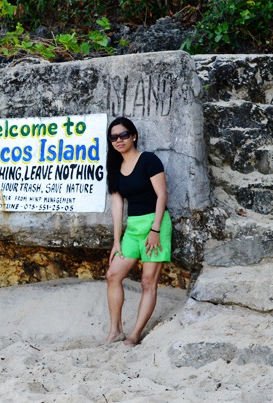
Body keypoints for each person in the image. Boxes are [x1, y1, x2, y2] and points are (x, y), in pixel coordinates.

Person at [104, 116, 172, 346]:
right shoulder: (114, 167)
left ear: (133, 136)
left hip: (156, 224)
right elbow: (117, 206)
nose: (119, 140)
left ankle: (134, 335)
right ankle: (116, 331)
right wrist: (116, 241)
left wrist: (155, 229)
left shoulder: (149, 160)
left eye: (123, 135)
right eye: (114, 137)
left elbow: (162, 195)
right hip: (133, 228)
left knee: (147, 281)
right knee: (113, 275)